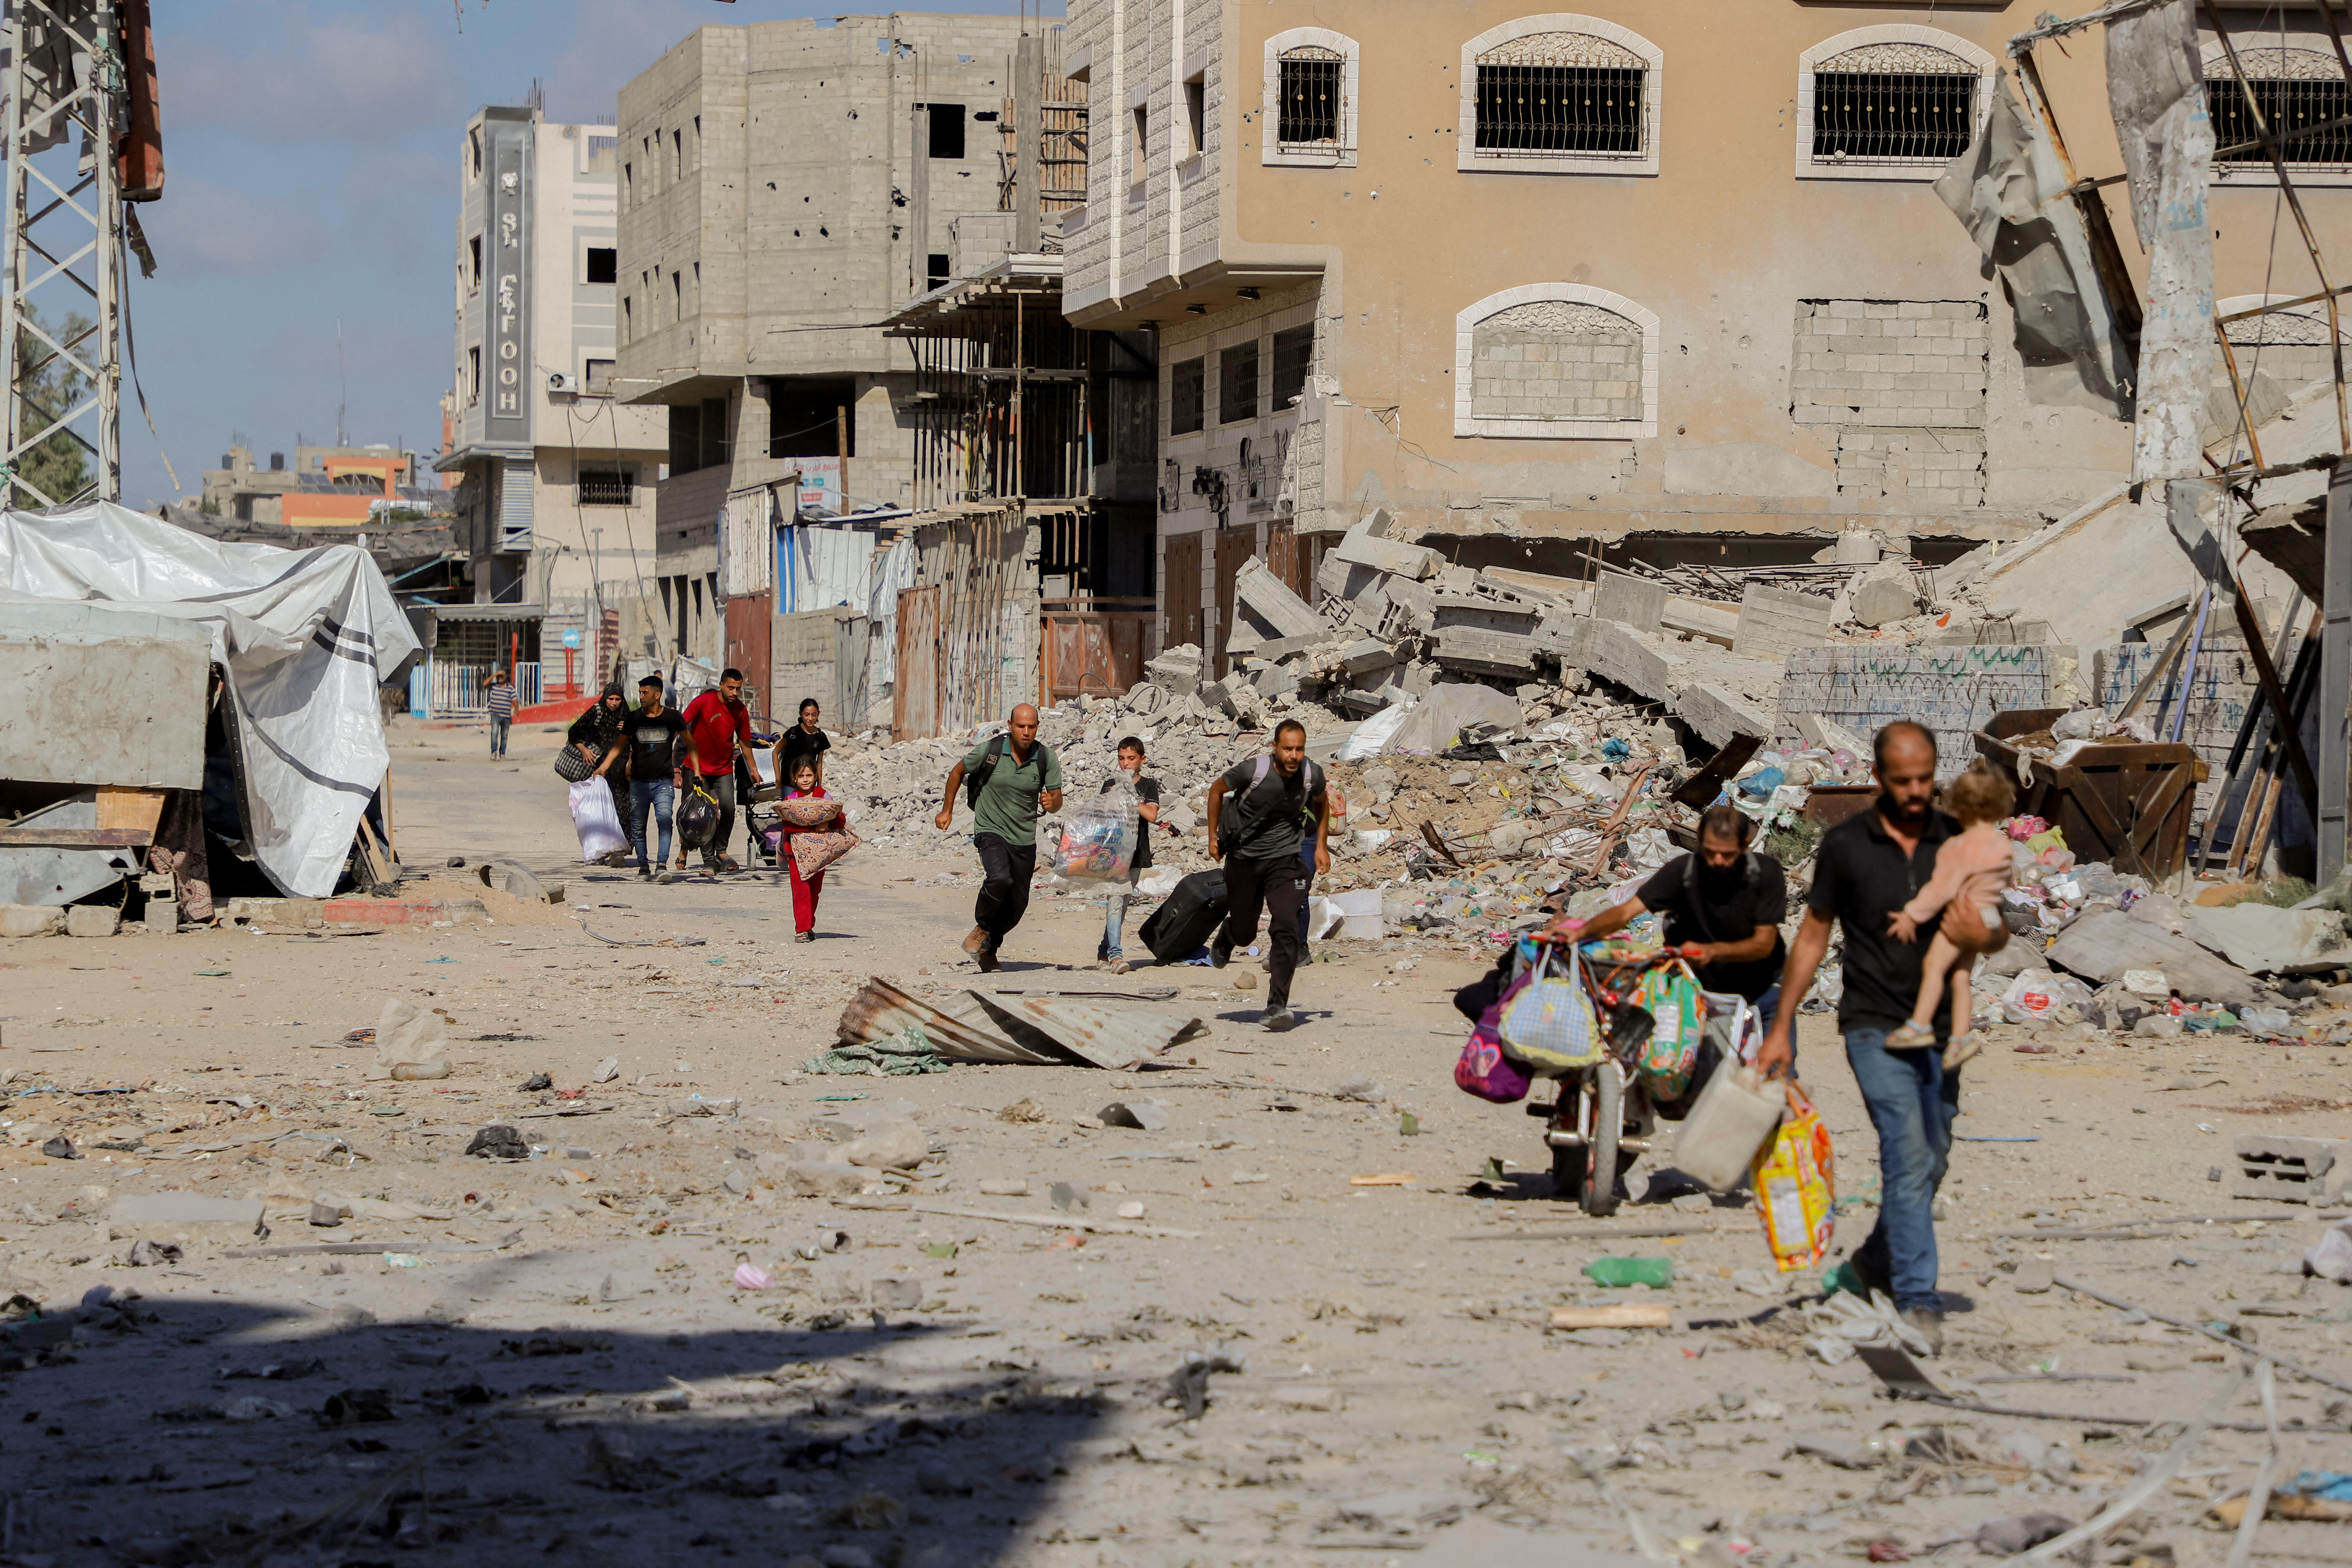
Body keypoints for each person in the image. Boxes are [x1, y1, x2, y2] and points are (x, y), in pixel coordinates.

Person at [1760, 720, 2009, 1354]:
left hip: (1940, 1030)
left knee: (1933, 1154)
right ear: (1879, 778)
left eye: (1928, 778)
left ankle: (1873, 1263)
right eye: (1904, 780)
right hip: (1872, 1022)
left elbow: (1994, 927)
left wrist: (1982, 936)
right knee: (1904, 1145)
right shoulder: (1847, 845)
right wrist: (1782, 1024)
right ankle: (1918, 1297)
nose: (1919, 790)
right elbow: (1814, 933)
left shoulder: (1959, 838)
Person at [1558, 804, 1789, 1024]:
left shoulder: (1765, 875)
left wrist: (1711, 951)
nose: (1717, 861)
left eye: (1727, 855)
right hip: (1703, 989)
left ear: (1745, 845)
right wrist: (1580, 932)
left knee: (1773, 1062)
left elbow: (1763, 944)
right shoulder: (1683, 871)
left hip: (1763, 987)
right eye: (1710, 852)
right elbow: (1626, 912)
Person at [1886, 763, 2017, 1070]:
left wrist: (1911, 915)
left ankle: (1919, 1025)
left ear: (1960, 804)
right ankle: (1960, 1038)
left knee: (1934, 966)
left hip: (1963, 917)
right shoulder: (2003, 844)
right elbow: (2008, 879)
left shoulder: (1959, 845)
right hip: (1989, 919)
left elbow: (1941, 889)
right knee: (1961, 977)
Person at [1205, 719, 1330, 1032]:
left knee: (1287, 923)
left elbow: (1322, 801)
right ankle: (1230, 933)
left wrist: (1322, 846)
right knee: (1247, 932)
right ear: (1275, 747)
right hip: (1244, 858)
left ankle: (1277, 1004)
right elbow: (1217, 789)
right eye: (1288, 749)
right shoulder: (1254, 771)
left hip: (1284, 859)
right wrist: (1212, 836)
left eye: (1300, 749)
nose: (1294, 756)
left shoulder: (1312, 775)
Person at [935, 703, 1062, 973]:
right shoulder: (990, 751)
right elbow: (958, 772)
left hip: (1024, 836)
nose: (1026, 732)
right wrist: (947, 810)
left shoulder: (1045, 758)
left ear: (1037, 727)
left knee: (1018, 903)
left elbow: (1057, 800)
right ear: (1010, 725)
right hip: (990, 828)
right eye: (1020, 726)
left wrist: (1053, 802)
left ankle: (989, 950)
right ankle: (981, 928)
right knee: (1000, 877)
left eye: (1032, 726)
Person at [680, 669, 754, 876]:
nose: (735, 692)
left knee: (729, 809)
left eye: (738, 689)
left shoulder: (740, 711)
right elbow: (681, 723)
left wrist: (754, 768)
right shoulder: (703, 702)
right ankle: (708, 860)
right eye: (731, 688)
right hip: (699, 770)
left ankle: (721, 850)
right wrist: (689, 749)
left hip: (723, 769)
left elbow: (745, 741)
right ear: (721, 685)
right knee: (706, 814)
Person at [1097, 736, 1161, 970]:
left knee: (1122, 905)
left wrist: (1131, 796)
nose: (1126, 764)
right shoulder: (1109, 785)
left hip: (1137, 853)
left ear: (1142, 760)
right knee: (1114, 902)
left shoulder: (1148, 786)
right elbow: (1101, 815)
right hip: (1113, 853)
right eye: (1122, 759)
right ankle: (1116, 956)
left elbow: (1152, 815)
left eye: (1131, 759)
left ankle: (1104, 952)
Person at [621, 675, 689, 883]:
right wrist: (604, 767)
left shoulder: (673, 718)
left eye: (645, 693)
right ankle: (643, 867)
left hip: (663, 782)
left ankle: (661, 866)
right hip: (639, 782)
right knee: (638, 826)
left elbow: (690, 743)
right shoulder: (633, 719)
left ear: (657, 695)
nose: (641, 696)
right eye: (640, 692)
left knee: (665, 820)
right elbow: (620, 745)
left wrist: (690, 770)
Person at [567, 683, 632, 867]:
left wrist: (629, 729)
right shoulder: (597, 711)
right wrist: (584, 750)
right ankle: (602, 848)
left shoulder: (627, 715)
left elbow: (638, 736)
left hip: (623, 772)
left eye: (617, 699)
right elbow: (574, 732)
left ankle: (620, 851)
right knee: (601, 811)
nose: (614, 703)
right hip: (601, 771)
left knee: (623, 810)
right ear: (605, 698)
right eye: (610, 699)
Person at [779, 758, 834, 941]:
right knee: (800, 890)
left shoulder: (824, 797)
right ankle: (802, 929)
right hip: (796, 852)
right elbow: (788, 825)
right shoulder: (790, 800)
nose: (805, 779)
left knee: (814, 890)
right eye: (801, 776)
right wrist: (812, 827)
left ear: (816, 776)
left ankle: (809, 924)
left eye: (809, 775)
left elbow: (839, 818)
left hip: (819, 853)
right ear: (794, 778)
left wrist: (827, 822)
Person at [774, 698, 830, 792]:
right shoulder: (793, 733)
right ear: (801, 714)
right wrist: (778, 779)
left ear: (818, 714)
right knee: (790, 806)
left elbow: (819, 763)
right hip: (789, 783)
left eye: (814, 715)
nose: (810, 719)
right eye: (807, 715)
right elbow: (775, 753)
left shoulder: (820, 737)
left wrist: (819, 786)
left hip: (809, 784)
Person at [486, 668, 516, 759]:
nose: (500, 678)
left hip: (506, 716)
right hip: (495, 714)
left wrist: (517, 709)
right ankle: (494, 753)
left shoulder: (510, 688)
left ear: (505, 677)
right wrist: (494, 675)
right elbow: (485, 684)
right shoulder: (494, 686)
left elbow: (515, 699)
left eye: (501, 676)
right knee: (494, 733)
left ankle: (502, 753)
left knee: (505, 736)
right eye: (499, 677)